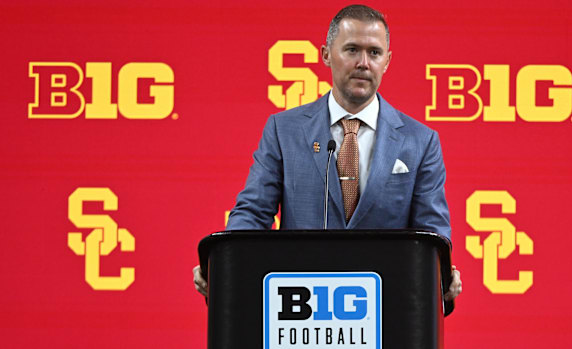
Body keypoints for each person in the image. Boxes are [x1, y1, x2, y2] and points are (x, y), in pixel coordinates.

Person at [193, 4, 462, 301]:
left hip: (389, 308)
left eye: (374, 53)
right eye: (351, 50)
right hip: (301, 306)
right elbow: (254, 212)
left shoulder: (420, 141)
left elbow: (432, 230)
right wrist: (223, 263)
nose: (363, 63)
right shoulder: (284, 130)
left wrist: (442, 271)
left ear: (387, 61)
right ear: (325, 54)